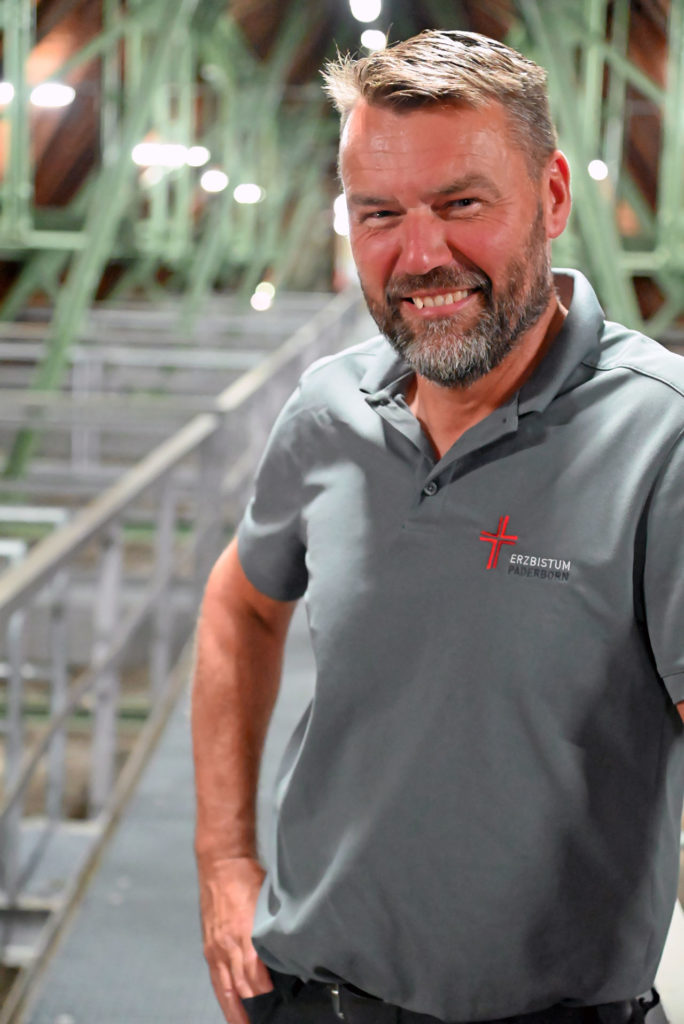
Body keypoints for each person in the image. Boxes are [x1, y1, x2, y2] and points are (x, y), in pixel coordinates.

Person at [191, 29, 684, 1024]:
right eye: (379, 214)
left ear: (552, 196)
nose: (420, 257)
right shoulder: (328, 409)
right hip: (310, 996)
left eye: (462, 204)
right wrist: (224, 861)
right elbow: (240, 606)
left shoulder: (661, 435)